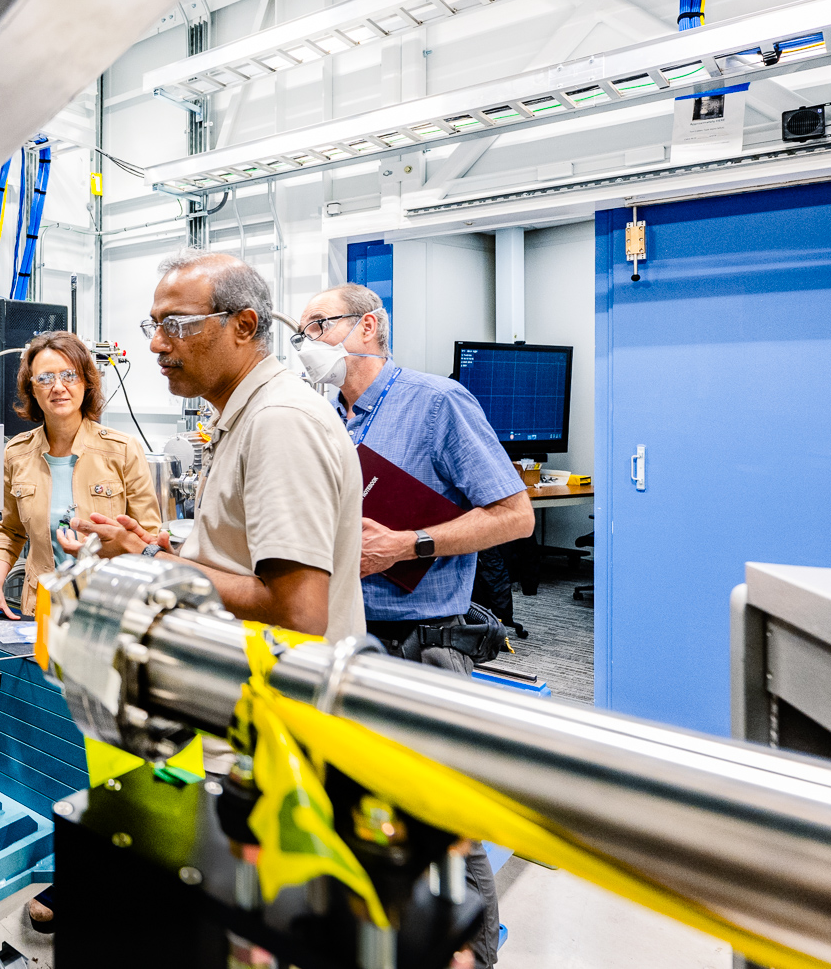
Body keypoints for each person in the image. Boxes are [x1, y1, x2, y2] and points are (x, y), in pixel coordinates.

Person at [296, 283, 534, 969]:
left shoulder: (437, 402)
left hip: (424, 640)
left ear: (368, 326)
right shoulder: (327, 420)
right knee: (365, 808)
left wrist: (409, 544)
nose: (307, 338)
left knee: (445, 812)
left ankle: (474, 952)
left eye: (320, 323)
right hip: (348, 638)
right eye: (302, 328)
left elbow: (514, 515)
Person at [67, 253, 363, 641]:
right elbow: (239, 563)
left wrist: (148, 560)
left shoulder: (279, 420)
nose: (157, 343)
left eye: (176, 324)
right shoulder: (241, 416)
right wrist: (167, 554)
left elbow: (298, 614)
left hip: (279, 693)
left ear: (243, 325)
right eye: (155, 325)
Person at [0, 331, 161, 627]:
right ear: (32, 389)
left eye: (69, 375)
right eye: (45, 378)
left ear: (86, 382)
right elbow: (10, 531)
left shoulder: (121, 451)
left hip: (108, 609)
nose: (58, 387)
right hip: (40, 609)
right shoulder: (17, 453)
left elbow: (148, 539)